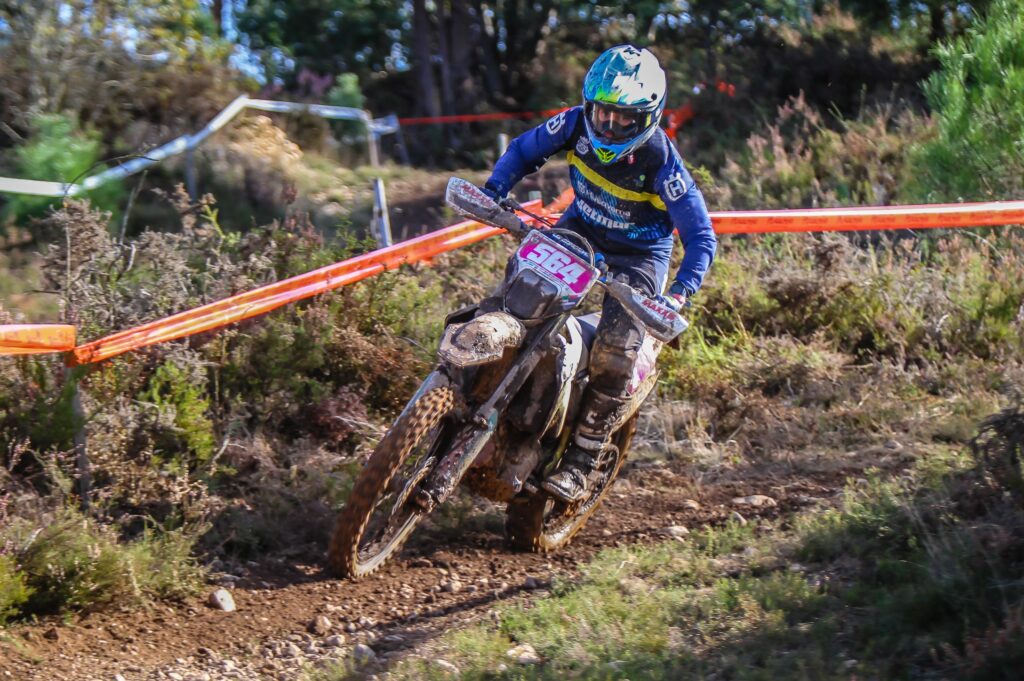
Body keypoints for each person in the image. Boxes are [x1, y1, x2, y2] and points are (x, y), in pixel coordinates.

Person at [483, 44, 717, 503]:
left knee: (615, 352)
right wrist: (495, 188)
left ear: (648, 116)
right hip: (581, 229)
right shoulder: (574, 123)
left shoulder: (663, 163)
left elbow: (701, 237)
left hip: (639, 256)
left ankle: (583, 458)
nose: (608, 126)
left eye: (623, 119)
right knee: (519, 299)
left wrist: (678, 294)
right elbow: (524, 149)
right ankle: (481, 388)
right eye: (602, 112)